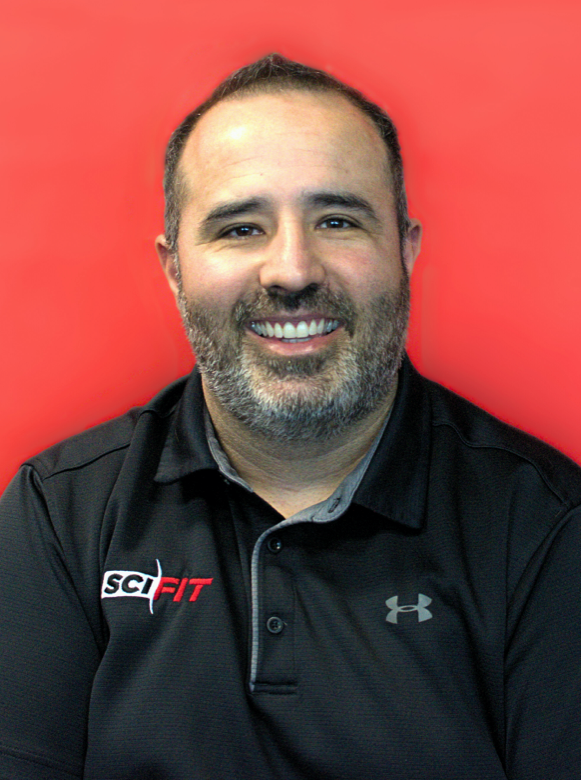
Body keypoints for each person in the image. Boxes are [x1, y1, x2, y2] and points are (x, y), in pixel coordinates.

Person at [1, 54, 580, 781]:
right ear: (174, 268)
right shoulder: (60, 513)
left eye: (337, 220)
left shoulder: (546, 526)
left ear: (405, 250)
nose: (292, 270)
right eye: (240, 228)